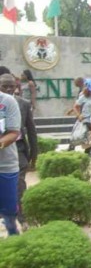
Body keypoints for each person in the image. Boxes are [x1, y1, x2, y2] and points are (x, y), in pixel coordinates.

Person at [0, 73, 37, 232]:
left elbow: (31, 129)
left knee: (19, 186)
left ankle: (23, 220)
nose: (9, 89)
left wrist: (34, 154)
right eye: (4, 86)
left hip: (18, 151)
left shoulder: (23, 103)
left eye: (12, 86)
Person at [0, 84, 21, 236]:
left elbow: (14, 132)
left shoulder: (7, 102)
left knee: (8, 210)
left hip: (5, 165)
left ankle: (13, 234)